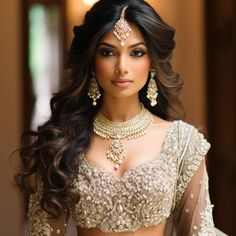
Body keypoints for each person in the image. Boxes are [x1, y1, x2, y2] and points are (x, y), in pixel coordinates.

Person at [15, 0, 226, 235]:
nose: (122, 66)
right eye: (108, 52)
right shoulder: (62, 142)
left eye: (136, 52)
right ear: (93, 62)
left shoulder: (183, 143)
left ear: (152, 62)